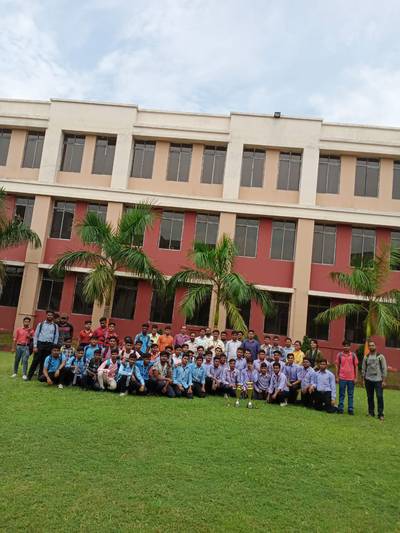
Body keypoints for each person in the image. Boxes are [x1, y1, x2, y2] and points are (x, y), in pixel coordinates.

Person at [28, 310, 59, 380]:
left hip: (49, 345)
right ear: (46, 315)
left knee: (44, 361)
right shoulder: (41, 324)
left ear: (53, 316)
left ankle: (40, 376)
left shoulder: (55, 326)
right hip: (40, 344)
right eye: (48, 315)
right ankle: (29, 376)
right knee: (35, 361)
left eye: (51, 315)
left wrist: (53, 346)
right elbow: (35, 335)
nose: (50, 316)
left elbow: (56, 336)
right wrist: (35, 346)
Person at [362, 341, 387, 421]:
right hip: (368, 380)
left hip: (378, 380)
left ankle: (380, 414)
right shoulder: (366, 357)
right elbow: (363, 369)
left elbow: (384, 368)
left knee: (379, 396)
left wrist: (384, 380)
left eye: (373, 345)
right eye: (370, 346)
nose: (371, 347)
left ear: (375, 346)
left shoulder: (380, 357)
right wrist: (363, 380)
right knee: (370, 397)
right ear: (368, 347)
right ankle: (371, 412)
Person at [335, 340, 358, 415]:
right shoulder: (339, 355)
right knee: (341, 394)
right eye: (344, 345)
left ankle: (350, 409)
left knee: (350, 394)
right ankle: (340, 408)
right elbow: (337, 366)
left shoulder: (353, 355)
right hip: (342, 378)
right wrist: (337, 377)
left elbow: (356, 367)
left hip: (351, 378)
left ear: (350, 346)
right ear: (343, 346)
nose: (346, 347)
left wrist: (356, 377)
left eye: (347, 345)